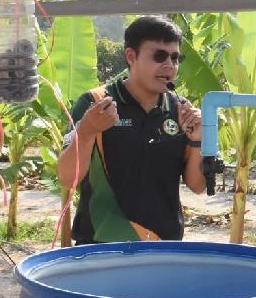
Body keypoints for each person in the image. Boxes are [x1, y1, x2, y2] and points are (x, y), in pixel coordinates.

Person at [59, 15, 205, 244]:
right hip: (102, 246)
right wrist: (86, 131)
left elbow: (197, 186)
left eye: (175, 58)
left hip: (164, 245)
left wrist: (197, 139)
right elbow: (68, 178)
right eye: (159, 56)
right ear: (131, 56)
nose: (169, 65)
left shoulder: (180, 110)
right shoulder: (95, 104)